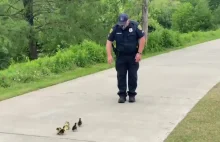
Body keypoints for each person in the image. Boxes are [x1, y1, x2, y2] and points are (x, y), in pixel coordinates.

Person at [106, 13, 146, 103]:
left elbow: (142, 38)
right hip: (121, 56)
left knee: (133, 75)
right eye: (121, 23)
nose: (122, 25)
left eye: (124, 23)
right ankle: (122, 95)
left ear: (128, 21)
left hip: (133, 56)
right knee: (121, 76)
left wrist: (139, 53)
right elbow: (109, 41)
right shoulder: (115, 28)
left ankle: (132, 94)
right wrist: (109, 55)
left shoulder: (135, 26)